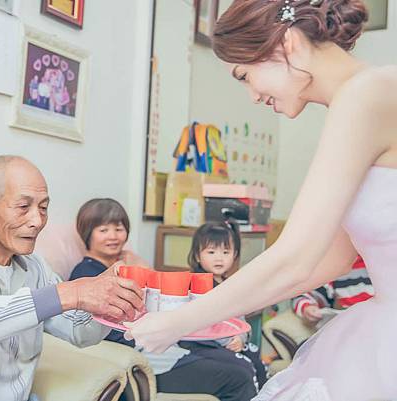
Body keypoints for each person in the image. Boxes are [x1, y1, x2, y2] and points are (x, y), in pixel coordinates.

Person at [126, 0, 397, 399]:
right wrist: (215, 314)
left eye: (244, 75)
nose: (252, 95)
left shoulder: (367, 94)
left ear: (285, 43)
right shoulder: (361, 99)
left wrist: (180, 322)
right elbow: (326, 261)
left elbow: (295, 257)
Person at [0, 156, 144, 401]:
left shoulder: (36, 268)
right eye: (24, 207)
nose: (37, 221)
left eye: (43, 208)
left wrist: (112, 302)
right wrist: (68, 293)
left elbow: (79, 331)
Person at [71, 199, 259, 401]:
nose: (113, 236)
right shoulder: (86, 274)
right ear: (87, 232)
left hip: (169, 341)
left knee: (245, 361)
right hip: (150, 354)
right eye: (103, 230)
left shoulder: (128, 266)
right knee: (239, 375)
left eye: (119, 229)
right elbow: (101, 328)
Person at [188, 222, 269, 391]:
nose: (219, 258)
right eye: (211, 252)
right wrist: (227, 341)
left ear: (235, 255)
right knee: (247, 369)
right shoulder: (195, 286)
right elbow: (197, 323)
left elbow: (241, 321)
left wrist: (240, 338)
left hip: (233, 343)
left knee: (258, 365)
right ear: (197, 255)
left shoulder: (230, 286)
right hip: (207, 347)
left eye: (226, 252)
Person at [292, 255, 373, 327]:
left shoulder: (380, 264)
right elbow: (303, 295)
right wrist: (308, 307)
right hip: (354, 328)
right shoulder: (337, 268)